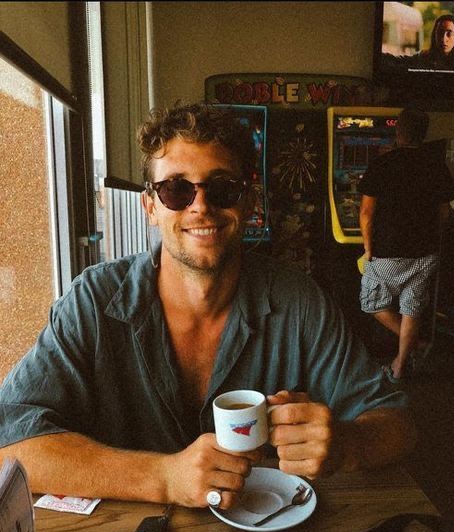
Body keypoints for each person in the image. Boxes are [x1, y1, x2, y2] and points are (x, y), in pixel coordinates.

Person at [0, 103, 416, 510]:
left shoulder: (299, 300)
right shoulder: (93, 301)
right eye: (176, 189)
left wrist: (346, 444)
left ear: (248, 203)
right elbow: (9, 444)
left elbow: (398, 424)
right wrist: (165, 477)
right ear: (150, 207)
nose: (201, 206)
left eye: (222, 188)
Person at [359, 107, 454, 382]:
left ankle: (416, 344)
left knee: (371, 303)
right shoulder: (436, 165)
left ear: (398, 131)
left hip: (388, 252)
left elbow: (366, 213)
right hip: (426, 251)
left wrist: (368, 248)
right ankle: (401, 365)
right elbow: (445, 211)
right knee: (411, 307)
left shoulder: (382, 164)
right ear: (423, 134)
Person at [381, 14, 454, 72]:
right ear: (434, 35)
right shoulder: (423, 58)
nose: (443, 39)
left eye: (449, 33)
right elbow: (397, 61)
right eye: (440, 33)